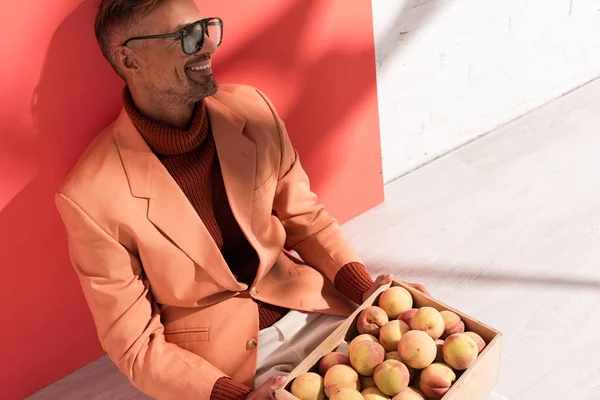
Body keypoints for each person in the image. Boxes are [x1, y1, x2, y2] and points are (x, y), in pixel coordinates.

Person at [54, 0, 428, 399]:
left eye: (207, 28)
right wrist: (232, 396)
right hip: (228, 371)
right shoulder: (90, 197)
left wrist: (363, 289)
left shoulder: (253, 110)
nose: (208, 47)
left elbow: (307, 219)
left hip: (317, 310)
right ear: (129, 59)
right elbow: (134, 345)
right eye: (186, 36)